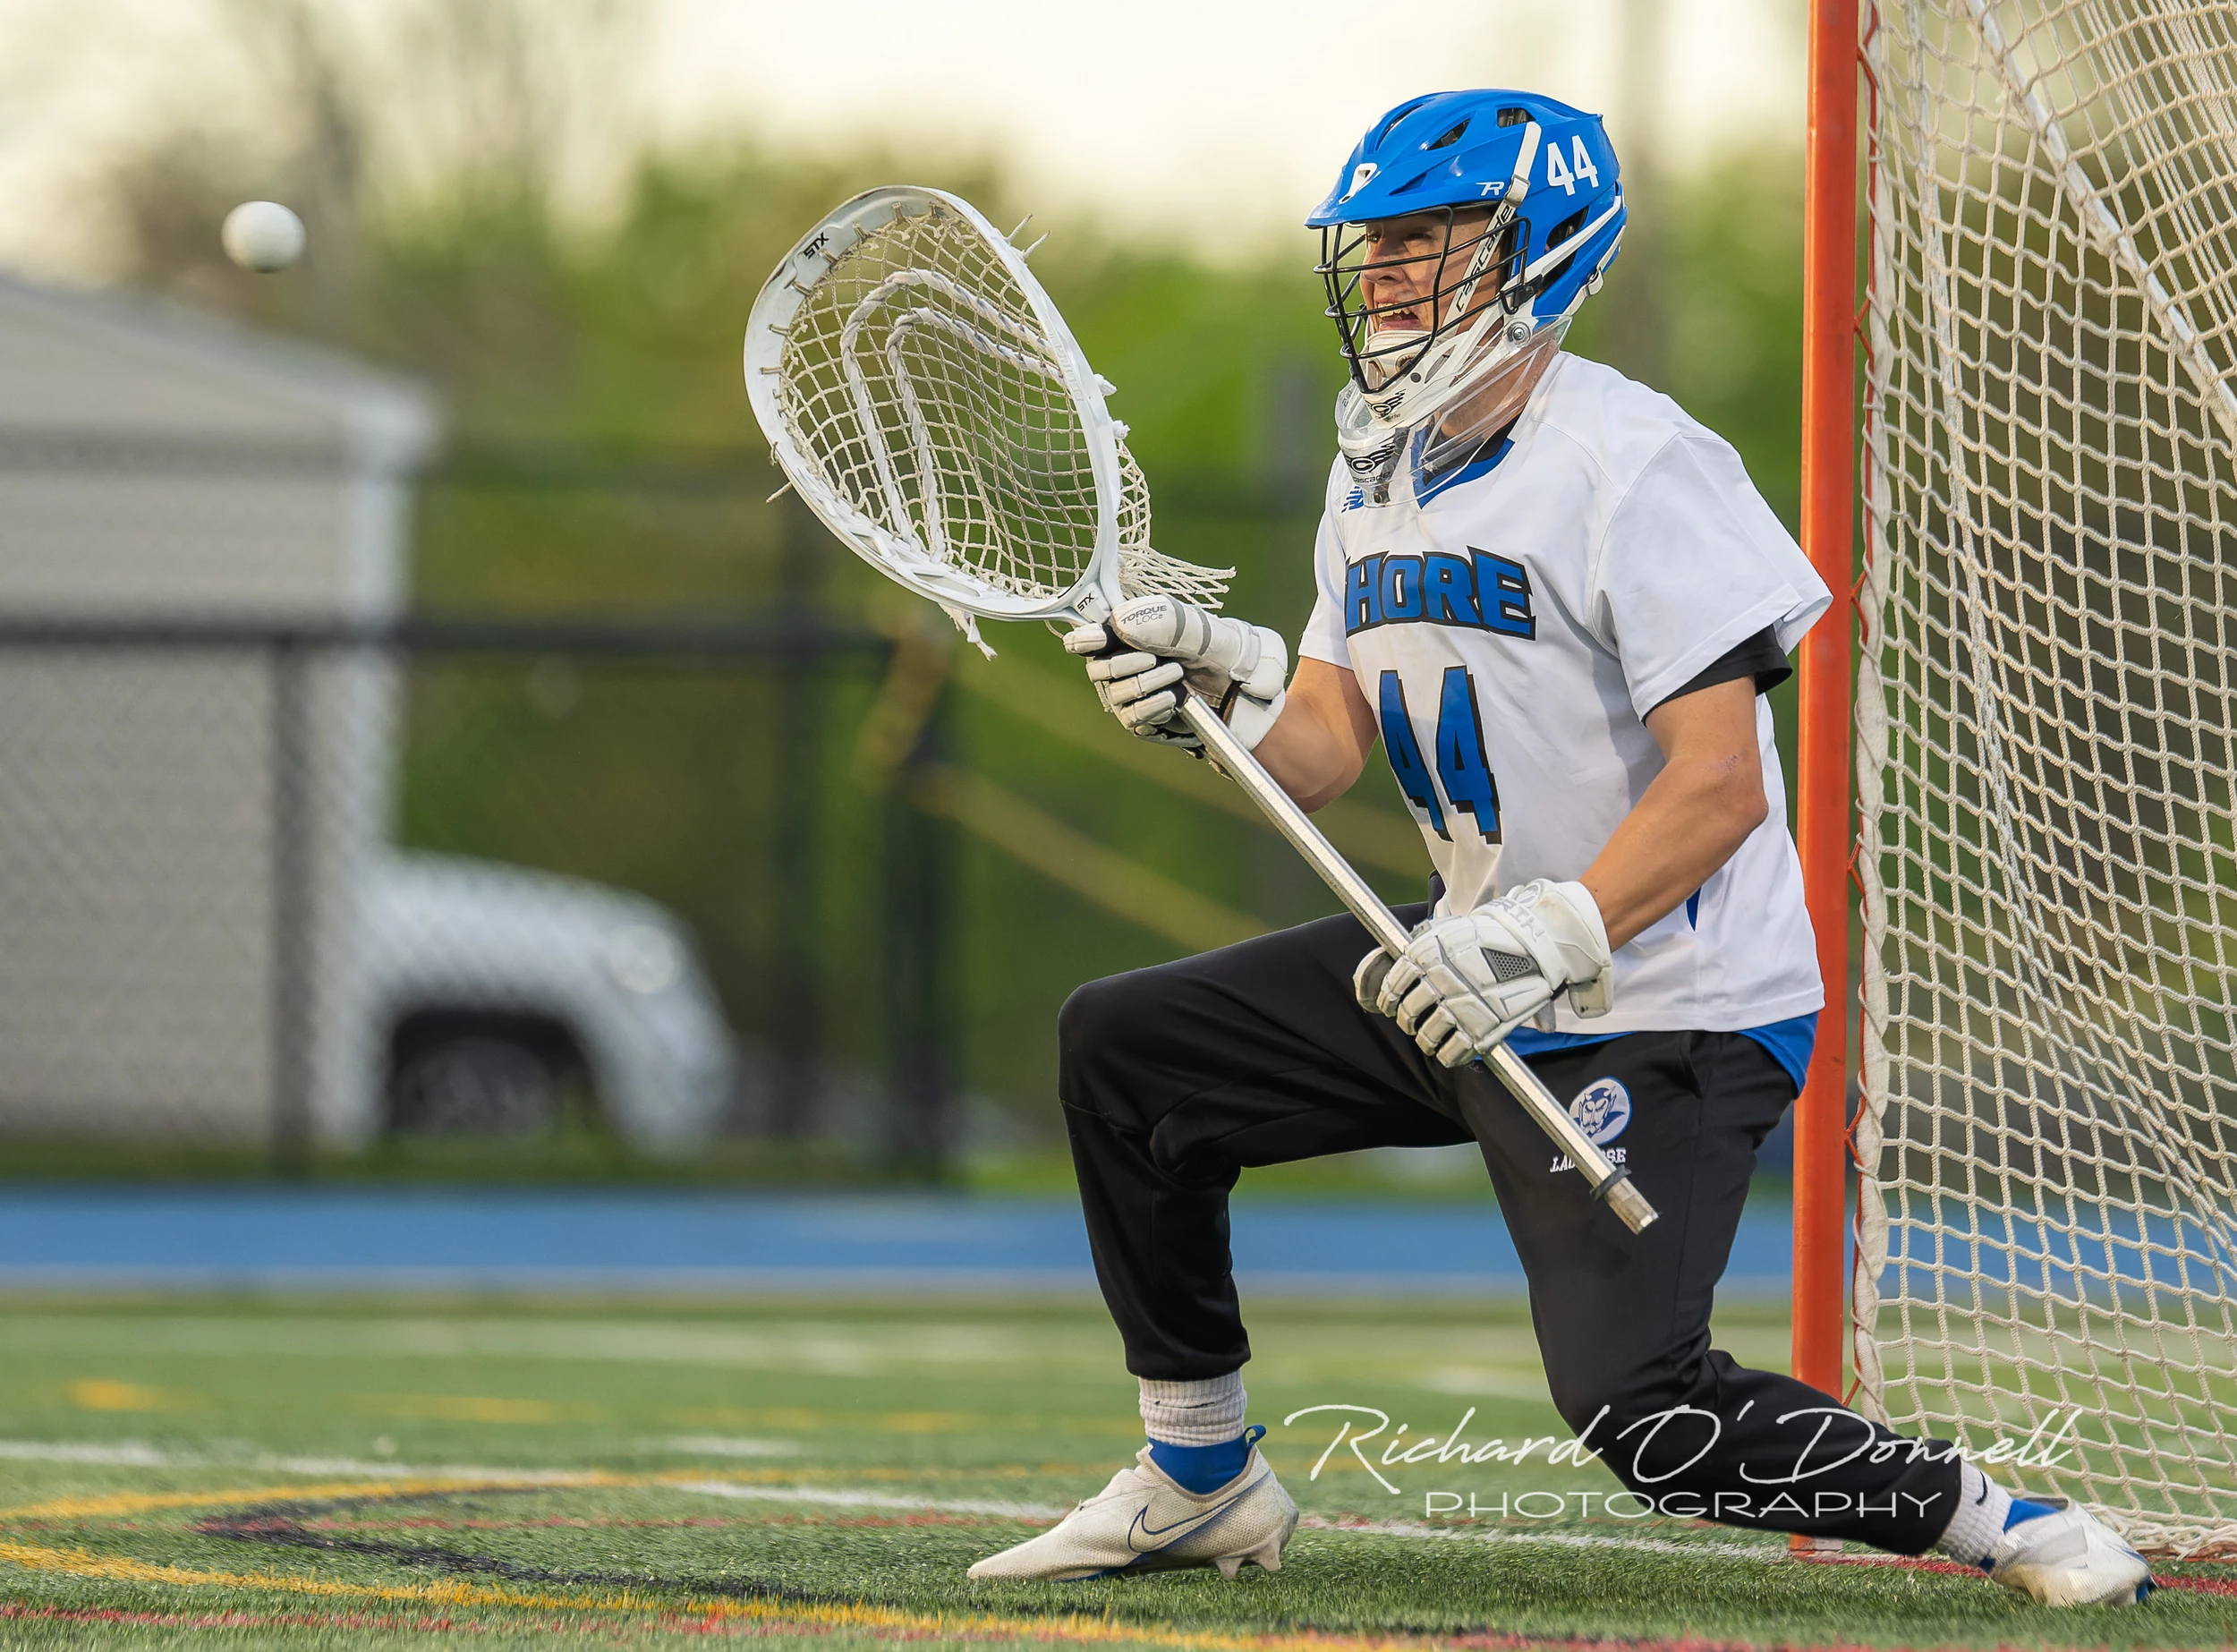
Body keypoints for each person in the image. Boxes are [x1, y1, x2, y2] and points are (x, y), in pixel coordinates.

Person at [964, 89, 2153, 1608]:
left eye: (1429, 243)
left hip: (1666, 995)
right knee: (1127, 1052)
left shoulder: (1635, 463)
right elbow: (1323, 746)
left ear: (1541, 254)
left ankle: (1998, 1513)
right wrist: (1210, 696)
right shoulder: (1374, 466)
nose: (1388, 276)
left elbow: (1718, 785)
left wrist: (1542, 938)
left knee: (1646, 1417)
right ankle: (1201, 1472)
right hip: (1461, 958)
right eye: (1373, 247)